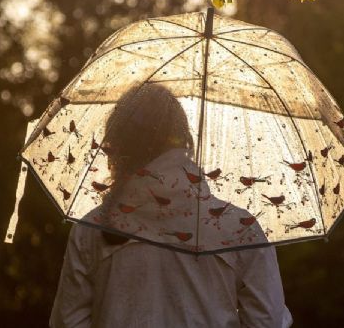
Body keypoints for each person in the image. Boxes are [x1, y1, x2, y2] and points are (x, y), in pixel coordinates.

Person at [50, 84, 293, 327]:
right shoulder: (240, 228)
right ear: (184, 140)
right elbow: (267, 321)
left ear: (118, 146)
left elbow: (68, 322)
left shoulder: (93, 229)